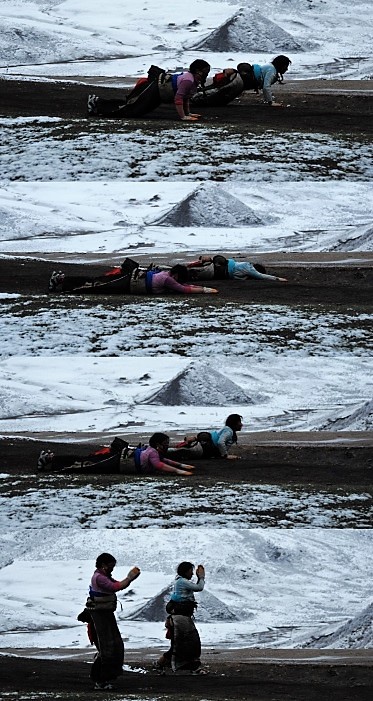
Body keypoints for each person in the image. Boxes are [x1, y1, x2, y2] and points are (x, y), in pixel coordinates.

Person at [78, 553, 140, 690]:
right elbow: (115, 587)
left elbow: (114, 585)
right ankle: (100, 679)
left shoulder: (102, 576)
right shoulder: (99, 578)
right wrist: (130, 578)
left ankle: (102, 677)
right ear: (103, 565)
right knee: (107, 647)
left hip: (104, 614)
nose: (112, 569)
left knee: (112, 646)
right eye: (110, 566)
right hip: (100, 616)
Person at [87, 59, 210, 121]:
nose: (205, 74)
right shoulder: (189, 80)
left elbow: (185, 98)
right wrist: (183, 117)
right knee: (132, 110)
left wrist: (188, 114)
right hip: (156, 89)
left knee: (134, 108)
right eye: (204, 72)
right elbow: (179, 98)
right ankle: (97, 104)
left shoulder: (193, 81)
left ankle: (98, 103)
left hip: (159, 93)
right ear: (197, 71)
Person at [48, 262, 218, 296]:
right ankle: (62, 281)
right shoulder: (169, 280)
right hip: (132, 282)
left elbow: (184, 285)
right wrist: (204, 290)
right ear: (178, 275)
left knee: (97, 282)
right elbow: (184, 289)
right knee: (96, 285)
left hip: (133, 278)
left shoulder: (167, 275)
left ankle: (62, 279)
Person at [157, 562, 206, 674]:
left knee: (181, 643)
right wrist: (201, 577)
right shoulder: (182, 582)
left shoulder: (180, 581)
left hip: (181, 618)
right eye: (190, 571)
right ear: (185, 571)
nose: (192, 574)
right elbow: (199, 587)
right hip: (181, 619)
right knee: (184, 643)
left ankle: (162, 663)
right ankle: (192, 667)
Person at [169, 414, 243, 461]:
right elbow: (220, 442)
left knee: (186, 451)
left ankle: (191, 440)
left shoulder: (228, 430)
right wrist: (225, 455)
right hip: (206, 445)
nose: (241, 424)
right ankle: (163, 452)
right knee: (184, 452)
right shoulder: (228, 431)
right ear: (234, 424)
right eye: (239, 422)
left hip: (205, 441)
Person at [191, 62, 258, 107]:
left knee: (218, 91)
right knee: (219, 91)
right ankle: (198, 98)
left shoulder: (236, 76)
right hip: (238, 83)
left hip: (236, 82)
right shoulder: (241, 78)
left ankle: (198, 98)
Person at [186, 255, 287, 283]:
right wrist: (277, 279)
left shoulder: (243, 268)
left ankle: (186, 268)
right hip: (217, 271)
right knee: (194, 274)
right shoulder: (248, 267)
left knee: (193, 272)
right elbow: (261, 276)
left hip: (217, 268)